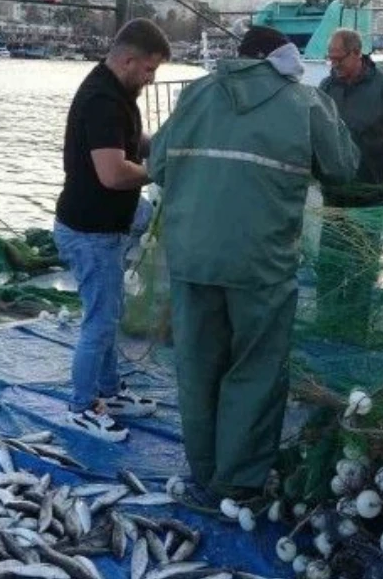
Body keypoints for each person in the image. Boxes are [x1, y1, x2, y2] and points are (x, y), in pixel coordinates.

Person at [149, 26, 359, 504]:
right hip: (261, 264)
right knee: (256, 368)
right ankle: (237, 481)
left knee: (198, 365)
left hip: (191, 258)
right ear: (280, 59)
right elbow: (345, 168)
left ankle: (204, 471)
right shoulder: (306, 102)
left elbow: (158, 164)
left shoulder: (193, 95)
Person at [53, 18, 169, 442]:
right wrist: (162, 170)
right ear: (128, 59)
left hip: (105, 228)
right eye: (148, 70)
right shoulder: (103, 99)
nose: (151, 78)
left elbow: (130, 141)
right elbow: (113, 173)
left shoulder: (117, 91)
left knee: (109, 314)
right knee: (100, 321)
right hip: (90, 232)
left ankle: (108, 391)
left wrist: (165, 144)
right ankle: (81, 407)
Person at [316, 28, 383, 322]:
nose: (334, 65)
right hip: (335, 193)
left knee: (362, 261)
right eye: (331, 59)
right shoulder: (327, 87)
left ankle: (356, 321)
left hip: (372, 192)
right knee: (330, 261)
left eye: (339, 59)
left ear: (356, 54)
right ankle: (327, 317)